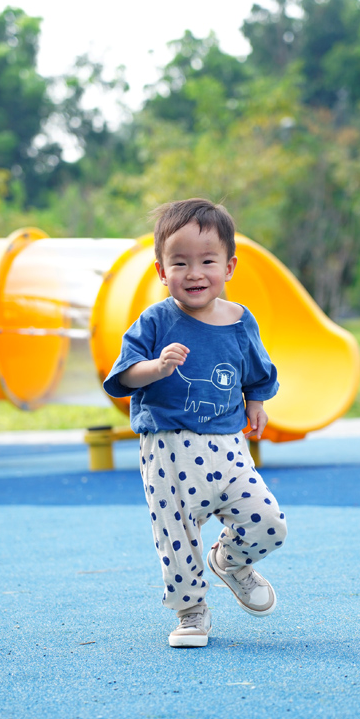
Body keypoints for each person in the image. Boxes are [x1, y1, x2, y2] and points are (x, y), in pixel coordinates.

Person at [103, 198, 287, 647]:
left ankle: (230, 561)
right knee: (176, 536)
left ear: (229, 266)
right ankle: (190, 611)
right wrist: (157, 369)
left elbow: (256, 374)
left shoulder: (241, 322)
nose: (194, 273)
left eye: (207, 261)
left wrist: (256, 402)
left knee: (267, 521)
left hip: (226, 447)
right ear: (162, 271)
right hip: (167, 448)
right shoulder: (156, 320)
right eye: (179, 263)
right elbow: (122, 376)